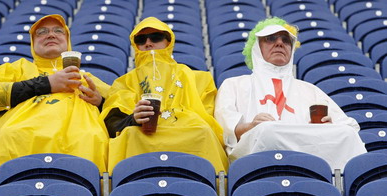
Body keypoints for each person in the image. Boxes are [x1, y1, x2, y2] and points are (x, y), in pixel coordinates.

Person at [214, 17, 366, 171]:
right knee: (267, 131)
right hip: (255, 147)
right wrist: (251, 126)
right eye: (270, 38)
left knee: (347, 134)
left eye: (286, 40)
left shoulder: (310, 89)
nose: (279, 43)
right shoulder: (233, 84)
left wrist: (329, 124)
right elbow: (224, 129)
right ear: (256, 47)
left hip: (307, 150)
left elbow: (348, 127)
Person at [0, 14, 110, 175]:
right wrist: (48, 84)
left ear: (67, 40)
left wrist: (100, 101)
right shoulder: (15, 69)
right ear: (33, 42)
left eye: (58, 31)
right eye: (42, 32)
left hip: (80, 136)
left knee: (91, 137)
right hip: (19, 133)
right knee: (9, 135)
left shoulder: (86, 78)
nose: (51, 34)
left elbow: (119, 111)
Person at [100, 17, 228, 174]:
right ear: (135, 46)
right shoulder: (124, 82)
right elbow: (112, 123)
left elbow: (209, 119)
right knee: (129, 134)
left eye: (156, 37)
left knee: (203, 132)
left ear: (169, 42)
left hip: (186, 132)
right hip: (142, 133)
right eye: (141, 39)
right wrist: (133, 118)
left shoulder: (200, 78)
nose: (148, 43)